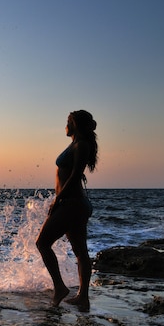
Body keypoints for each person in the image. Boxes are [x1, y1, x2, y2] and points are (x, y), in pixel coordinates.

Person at [36, 110, 98, 312]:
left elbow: (74, 177)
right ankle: (83, 298)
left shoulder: (81, 145)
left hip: (72, 203)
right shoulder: (76, 145)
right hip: (75, 204)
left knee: (42, 243)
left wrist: (57, 200)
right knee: (80, 251)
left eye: (68, 121)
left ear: (76, 124)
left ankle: (61, 288)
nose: (65, 125)